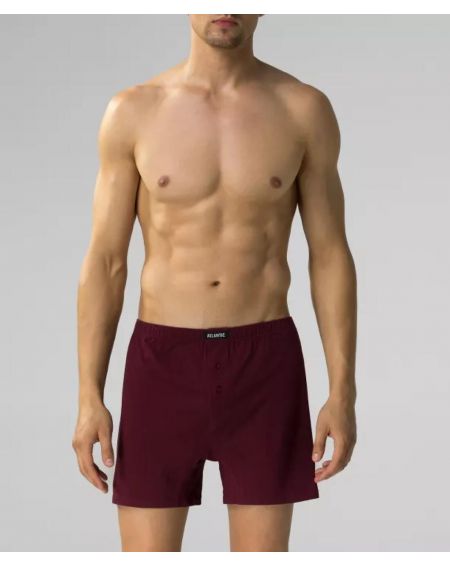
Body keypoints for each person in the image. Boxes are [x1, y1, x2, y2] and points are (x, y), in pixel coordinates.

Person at [72, 14, 357, 552]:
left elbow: (330, 255)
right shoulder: (133, 111)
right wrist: (90, 395)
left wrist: (343, 392)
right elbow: (106, 261)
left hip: (265, 362)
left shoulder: (303, 109)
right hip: (162, 363)